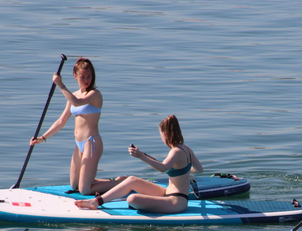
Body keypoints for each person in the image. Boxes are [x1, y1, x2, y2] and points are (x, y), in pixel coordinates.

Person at [30, 57, 123, 195]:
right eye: (82, 77)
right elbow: (61, 121)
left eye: (89, 77)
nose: (86, 80)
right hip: (79, 144)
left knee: (85, 190)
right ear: (75, 76)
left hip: (91, 143)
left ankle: (122, 183)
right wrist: (42, 138)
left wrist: (60, 85)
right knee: (74, 185)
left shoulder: (94, 94)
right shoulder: (73, 95)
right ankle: (108, 181)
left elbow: (77, 102)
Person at [75, 115, 203, 213]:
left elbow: (163, 168)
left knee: (132, 199)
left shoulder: (175, 152)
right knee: (132, 180)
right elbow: (199, 170)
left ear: (164, 134)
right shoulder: (187, 149)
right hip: (169, 194)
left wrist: (140, 156)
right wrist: (184, 173)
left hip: (176, 202)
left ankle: (99, 201)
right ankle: (97, 201)